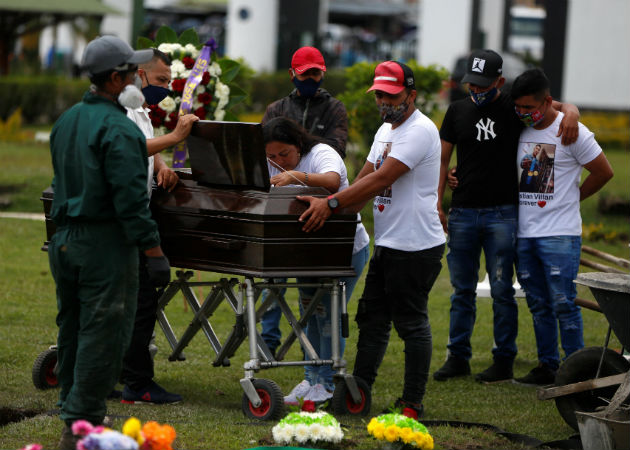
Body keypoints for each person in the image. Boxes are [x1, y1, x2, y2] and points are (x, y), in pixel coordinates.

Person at [298, 61, 446, 419]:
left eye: (391, 95)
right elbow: (362, 183)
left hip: (416, 245)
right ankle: (358, 393)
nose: (383, 101)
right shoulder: (385, 130)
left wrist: (330, 203)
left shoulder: (419, 131)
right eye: (379, 94)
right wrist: (335, 214)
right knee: (373, 319)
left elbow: (381, 180)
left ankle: (412, 403)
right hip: (389, 243)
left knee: (411, 323)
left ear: (411, 94)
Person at [47, 35, 171, 449]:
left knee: (73, 327)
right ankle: (80, 427)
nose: (140, 75)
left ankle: (71, 408)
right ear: (117, 78)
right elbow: (132, 203)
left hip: (65, 239)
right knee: (103, 333)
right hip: (103, 245)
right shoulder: (119, 129)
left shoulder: (67, 119)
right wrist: (153, 252)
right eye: (134, 70)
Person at [434, 49, 580, 383]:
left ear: (500, 81)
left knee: (502, 289)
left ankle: (504, 360)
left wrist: (572, 111)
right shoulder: (456, 111)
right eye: (471, 84)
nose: (476, 90)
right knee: (462, 290)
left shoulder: (515, 108)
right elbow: (443, 160)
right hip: (463, 212)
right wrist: (438, 202)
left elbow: (555, 107)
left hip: (504, 212)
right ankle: (458, 357)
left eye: (484, 85)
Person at [511, 68, 613, 385]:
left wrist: (573, 198)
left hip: (559, 234)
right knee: (538, 304)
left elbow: (604, 171)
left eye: (530, 108)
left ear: (548, 102)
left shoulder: (572, 131)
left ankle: (574, 372)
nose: (523, 113)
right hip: (524, 234)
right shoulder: (517, 126)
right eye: (519, 107)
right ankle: (547, 367)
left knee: (563, 303)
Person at [261, 117, 370, 404]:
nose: (278, 161)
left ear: (299, 144)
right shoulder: (273, 161)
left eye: (284, 154)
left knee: (329, 315)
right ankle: (311, 379)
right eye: (271, 156)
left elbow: (333, 181)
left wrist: (296, 176)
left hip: (345, 249)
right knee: (309, 313)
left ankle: (329, 383)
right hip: (307, 251)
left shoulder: (321, 153)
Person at [120, 48, 199, 404]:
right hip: (128, 219)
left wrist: (161, 163)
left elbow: (144, 147)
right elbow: (128, 147)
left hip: (129, 214)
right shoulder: (121, 108)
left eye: (170, 81)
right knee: (139, 302)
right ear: (139, 75)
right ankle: (137, 381)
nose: (167, 89)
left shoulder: (138, 109)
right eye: (161, 80)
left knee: (126, 302)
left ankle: (115, 374)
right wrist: (175, 137)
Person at [260, 46, 349, 356]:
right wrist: (285, 158)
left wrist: (298, 159)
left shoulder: (334, 108)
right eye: (305, 73)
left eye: (316, 73)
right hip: (279, 205)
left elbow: (336, 149)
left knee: (312, 290)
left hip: (317, 201)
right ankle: (268, 340)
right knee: (272, 276)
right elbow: (266, 153)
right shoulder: (276, 108)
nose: (310, 78)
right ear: (292, 75)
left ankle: (308, 348)